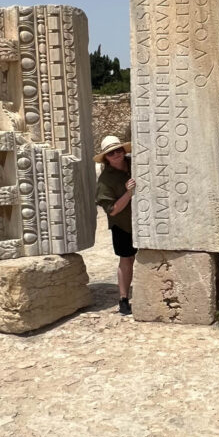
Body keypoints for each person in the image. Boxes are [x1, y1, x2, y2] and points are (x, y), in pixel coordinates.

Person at [95, 135, 137, 315]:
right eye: (111, 153)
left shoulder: (135, 163)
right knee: (126, 259)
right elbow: (112, 210)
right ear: (106, 158)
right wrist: (129, 193)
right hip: (122, 224)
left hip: (142, 220)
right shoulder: (105, 180)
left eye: (118, 150)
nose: (116, 154)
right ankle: (123, 298)